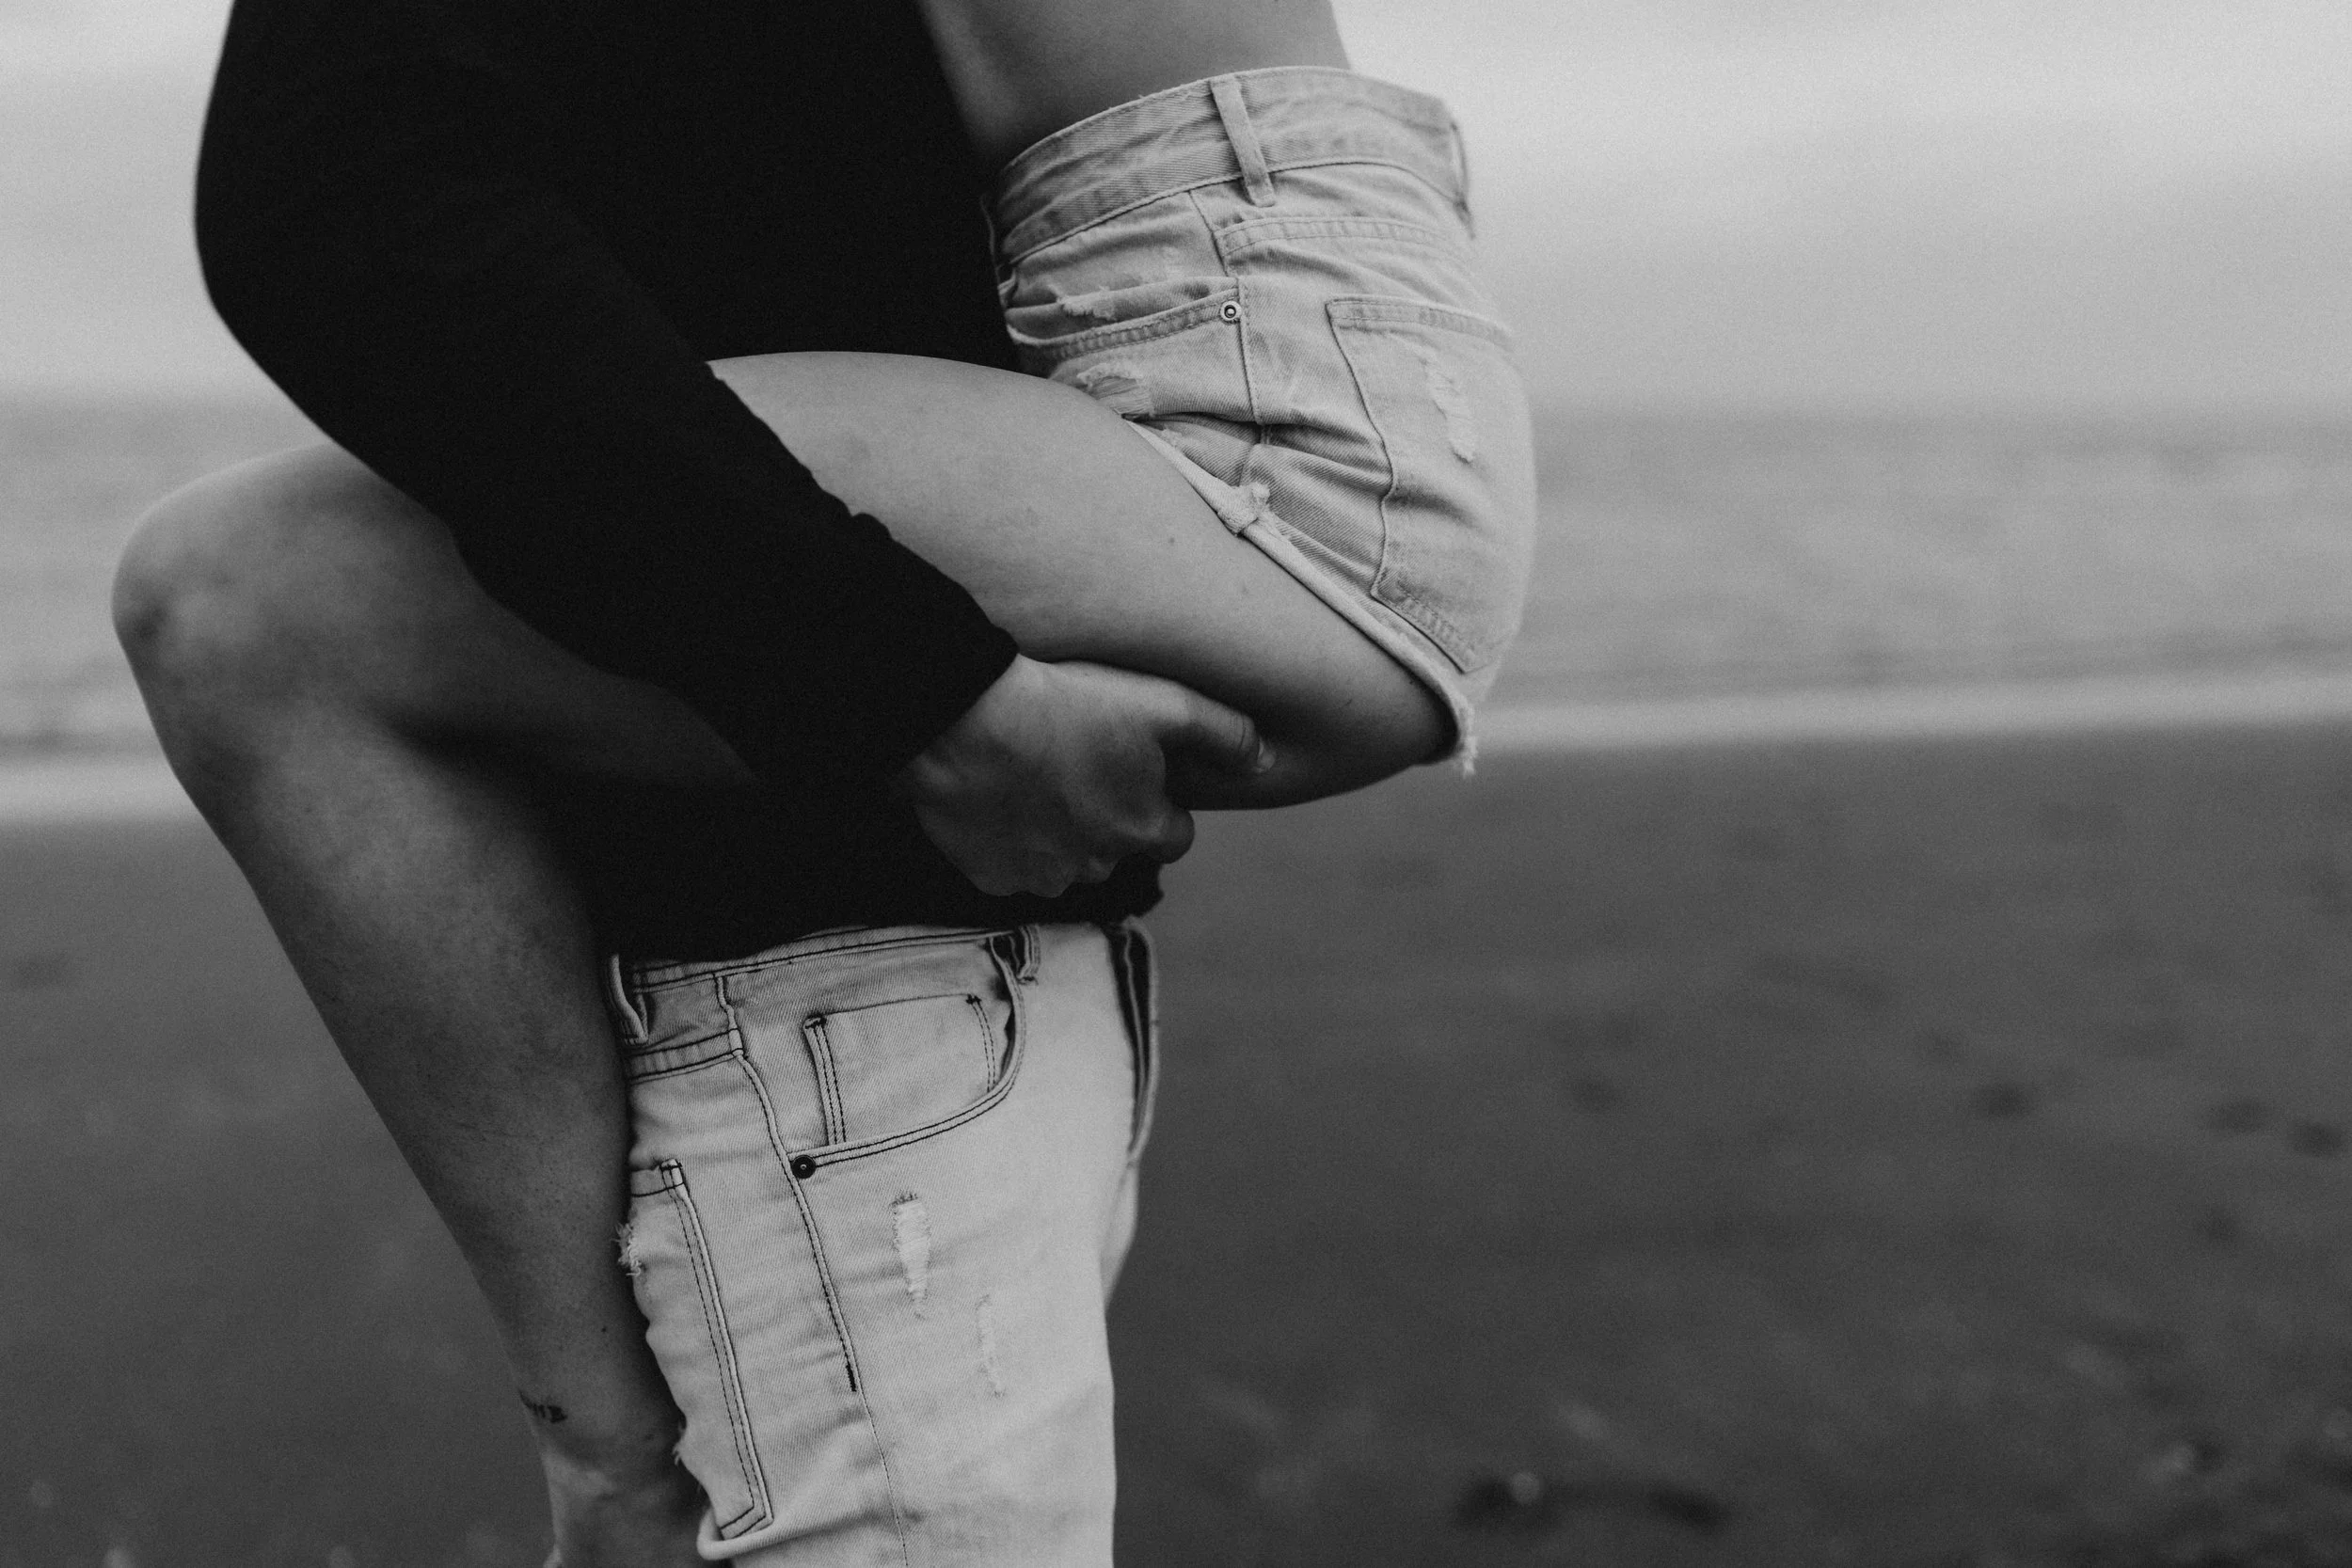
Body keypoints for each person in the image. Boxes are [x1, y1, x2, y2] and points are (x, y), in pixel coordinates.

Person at [113, 0, 1534, 1560]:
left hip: (1275, 457)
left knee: (241, 598)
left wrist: (919, 699)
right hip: (1284, 387)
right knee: (239, 601)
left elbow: (334, 202)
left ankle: (604, 1448)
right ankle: (603, 1442)